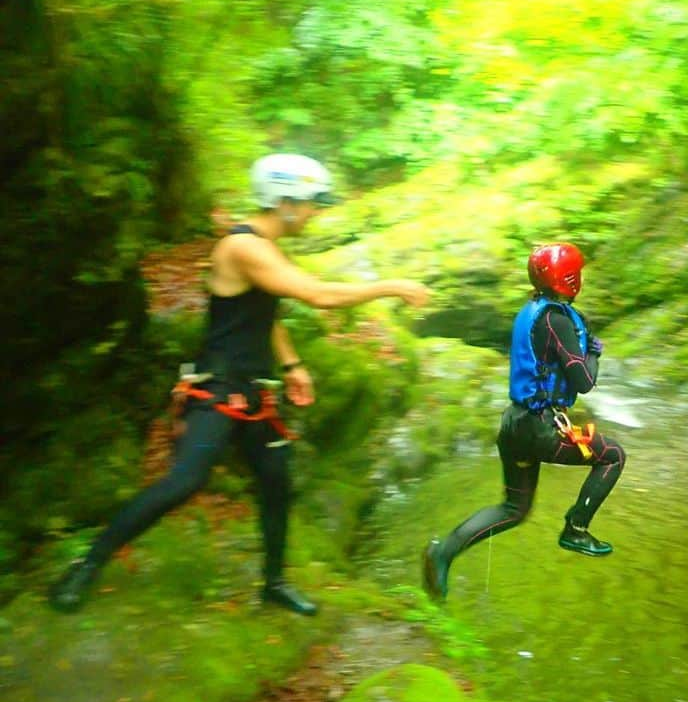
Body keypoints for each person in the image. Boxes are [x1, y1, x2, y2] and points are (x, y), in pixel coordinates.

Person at [49, 154, 430, 616]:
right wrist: (391, 285)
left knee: (277, 482)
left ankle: (274, 583)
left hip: (251, 390)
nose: (316, 213)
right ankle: (85, 567)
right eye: (312, 204)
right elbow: (317, 295)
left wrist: (291, 366)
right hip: (218, 389)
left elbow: (263, 313)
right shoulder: (244, 247)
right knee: (183, 482)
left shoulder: (265, 247)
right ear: (283, 201)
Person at [422, 242, 625, 601]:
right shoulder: (557, 319)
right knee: (612, 456)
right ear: (571, 279)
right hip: (540, 429)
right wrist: (594, 353)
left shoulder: (531, 310)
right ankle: (576, 529)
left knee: (514, 509)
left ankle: (442, 552)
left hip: (514, 424)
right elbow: (584, 382)